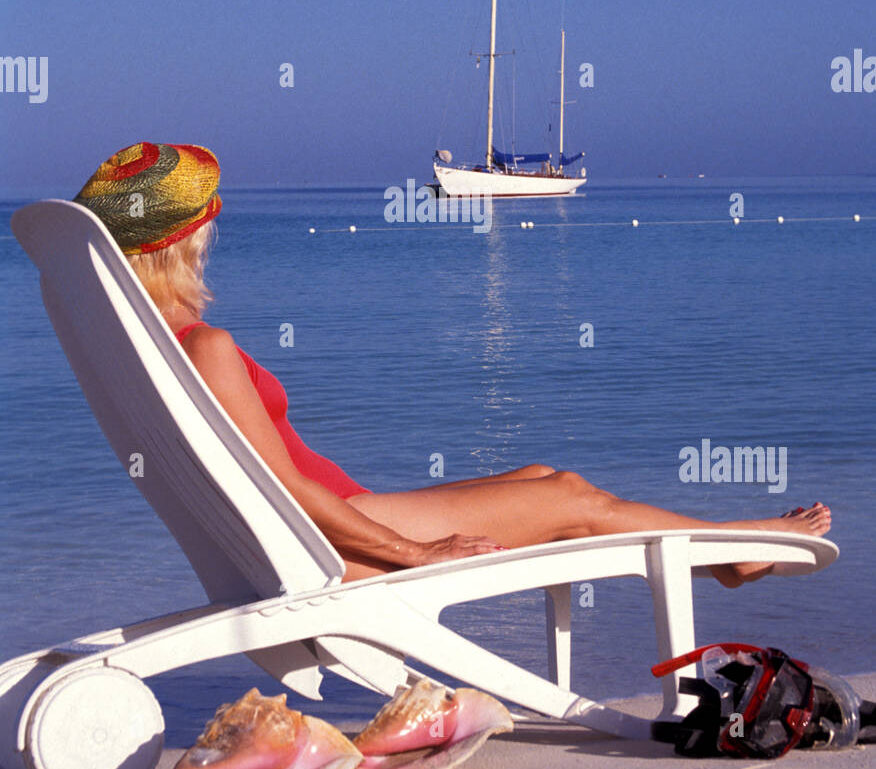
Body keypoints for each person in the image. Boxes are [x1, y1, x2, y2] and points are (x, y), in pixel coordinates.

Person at [74, 142, 831, 585]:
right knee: (569, 494)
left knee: (542, 478)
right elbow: (288, 491)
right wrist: (414, 554)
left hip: (331, 526)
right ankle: (730, 549)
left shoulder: (146, 344)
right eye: (208, 217)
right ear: (185, 241)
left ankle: (716, 558)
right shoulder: (204, 348)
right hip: (342, 538)